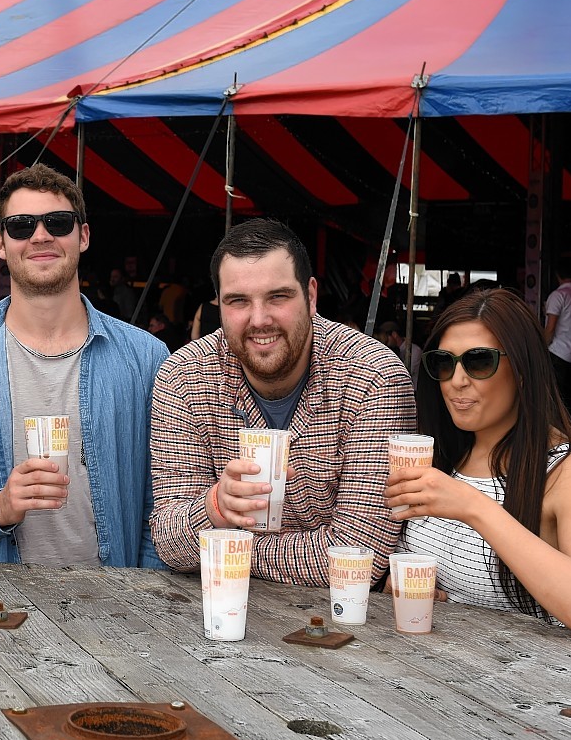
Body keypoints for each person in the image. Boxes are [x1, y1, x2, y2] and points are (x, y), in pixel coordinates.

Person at [0, 165, 168, 567]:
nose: (41, 236)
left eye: (58, 223)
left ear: (82, 236)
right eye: (21, 226)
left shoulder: (145, 358)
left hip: (119, 613)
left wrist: (145, 599)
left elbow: (163, 507)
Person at [149, 219, 415, 585]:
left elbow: (360, 557)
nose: (259, 320)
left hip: (349, 629)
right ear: (219, 305)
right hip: (217, 623)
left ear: (311, 295)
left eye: (278, 296)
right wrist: (216, 506)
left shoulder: (372, 376)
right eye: (238, 301)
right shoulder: (184, 376)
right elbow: (168, 541)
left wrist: (222, 546)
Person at [385, 288, 571, 641]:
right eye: (444, 363)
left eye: (479, 361)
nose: (457, 380)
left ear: (524, 371)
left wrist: (473, 507)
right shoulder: (442, 456)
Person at [543, 266, 571, 436]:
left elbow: (551, 327)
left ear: (557, 276)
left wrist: (542, 346)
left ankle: (557, 437)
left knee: (555, 398)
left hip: (558, 352)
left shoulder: (558, 295)